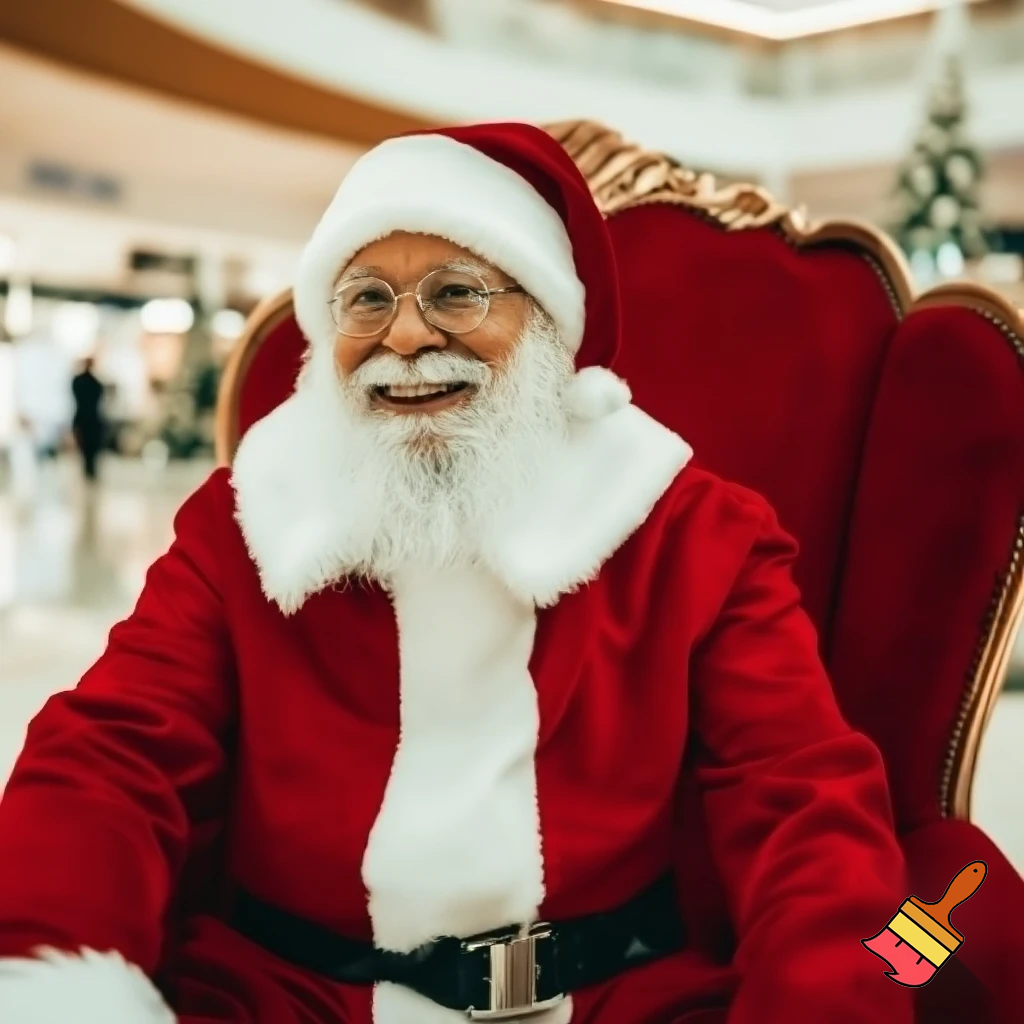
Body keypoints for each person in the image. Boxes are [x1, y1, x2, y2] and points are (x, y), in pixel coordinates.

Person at [0, 124, 913, 1024]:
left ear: (550, 321)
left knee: (966, 928)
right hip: (290, 994)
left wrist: (827, 997)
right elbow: (114, 753)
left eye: (457, 293)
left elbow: (800, 791)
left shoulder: (691, 529)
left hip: (612, 996)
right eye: (364, 299)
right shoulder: (248, 516)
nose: (403, 336)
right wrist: (56, 977)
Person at [70, 357, 106, 482]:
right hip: (90, 419)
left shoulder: (80, 381)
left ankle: (89, 471)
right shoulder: (96, 383)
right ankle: (89, 471)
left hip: (85, 419)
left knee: (89, 448)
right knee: (89, 448)